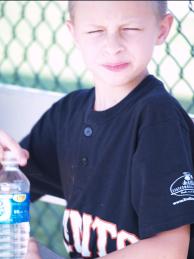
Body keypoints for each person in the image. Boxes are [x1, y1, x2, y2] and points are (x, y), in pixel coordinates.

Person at [0, 1, 194, 258]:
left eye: (131, 28)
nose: (113, 46)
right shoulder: (68, 114)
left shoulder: (157, 119)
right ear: (74, 33)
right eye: (95, 31)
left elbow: (169, 250)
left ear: (161, 29)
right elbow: (11, 185)